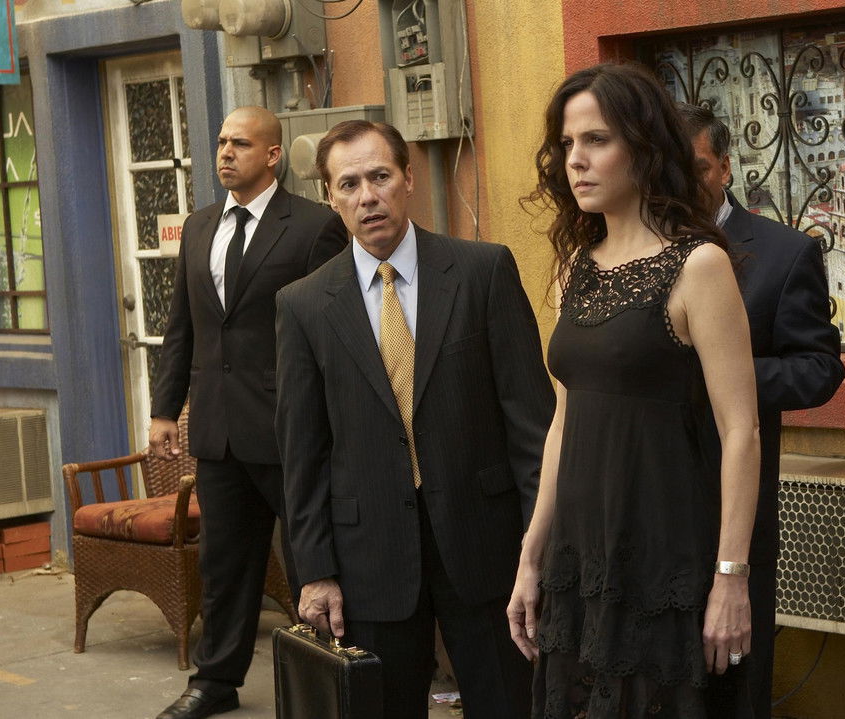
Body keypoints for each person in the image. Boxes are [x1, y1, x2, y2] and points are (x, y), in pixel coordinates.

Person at [275, 119, 554, 718]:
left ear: (408, 179)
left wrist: (541, 549)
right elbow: (303, 454)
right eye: (349, 184)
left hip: (488, 548)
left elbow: (532, 429)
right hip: (368, 558)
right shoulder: (303, 305)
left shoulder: (482, 272)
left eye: (380, 177)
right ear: (330, 197)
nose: (367, 197)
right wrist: (315, 571)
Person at [507, 62, 761, 718]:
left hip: (661, 548)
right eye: (567, 143)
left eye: (596, 140)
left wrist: (732, 577)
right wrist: (531, 555)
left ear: (644, 148)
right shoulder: (574, 266)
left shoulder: (699, 265)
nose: (576, 159)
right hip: (580, 551)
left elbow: (741, 430)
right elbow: (563, 420)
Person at [149, 106, 348, 719]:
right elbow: (182, 328)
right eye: (220, 142)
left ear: (273, 155)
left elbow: (333, 332)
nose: (225, 152)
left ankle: (340, 672)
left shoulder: (314, 227)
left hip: (291, 428)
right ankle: (215, 681)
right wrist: (165, 410)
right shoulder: (199, 227)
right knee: (225, 564)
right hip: (218, 430)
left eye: (240, 143)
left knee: (317, 556)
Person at [677, 103, 845, 717]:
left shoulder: (784, 252)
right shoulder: (638, 250)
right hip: (651, 503)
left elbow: (820, 368)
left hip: (735, 510)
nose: (683, 183)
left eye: (697, 168)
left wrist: (725, 379)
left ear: (725, 168)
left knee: (733, 687)